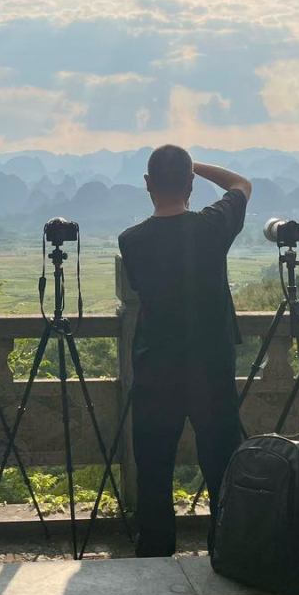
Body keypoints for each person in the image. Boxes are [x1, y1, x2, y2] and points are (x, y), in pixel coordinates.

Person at [118, 145, 251, 557]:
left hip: (156, 367)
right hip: (211, 367)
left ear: (147, 184)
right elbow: (240, 184)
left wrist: (183, 169)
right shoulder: (212, 227)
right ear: (191, 182)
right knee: (221, 462)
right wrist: (195, 165)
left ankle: (155, 552)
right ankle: (227, 547)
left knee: (154, 465)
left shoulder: (131, 241)